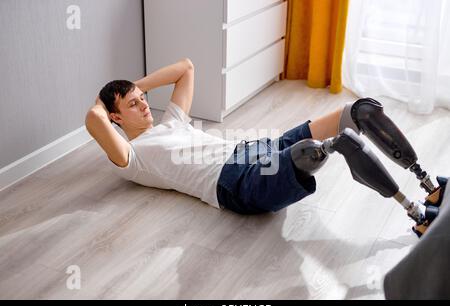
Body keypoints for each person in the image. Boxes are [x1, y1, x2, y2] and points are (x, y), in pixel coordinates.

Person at [85, 58, 367, 215]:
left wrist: (132, 88)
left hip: (252, 150)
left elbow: (186, 67)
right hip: (237, 183)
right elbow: (94, 119)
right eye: (133, 104)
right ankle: (331, 147)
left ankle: (361, 137)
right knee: (307, 153)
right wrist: (102, 100)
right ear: (116, 118)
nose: (144, 104)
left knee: (354, 112)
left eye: (143, 98)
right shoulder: (132, 156)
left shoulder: (172, 122)